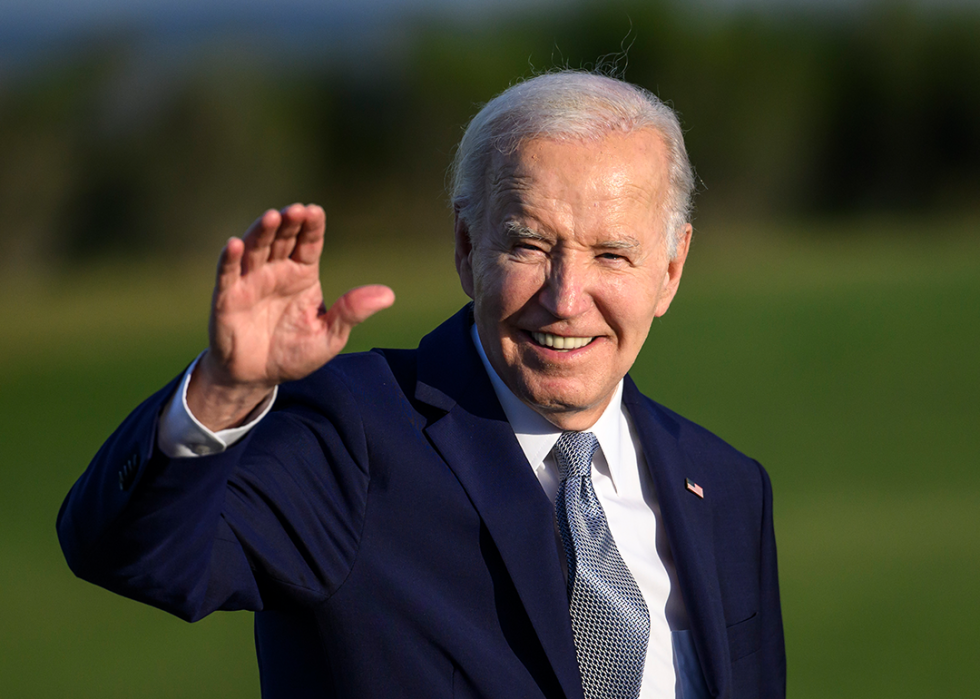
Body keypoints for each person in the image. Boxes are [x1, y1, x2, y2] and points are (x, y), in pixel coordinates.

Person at [58, 71, 785, 699]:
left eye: (611, 254)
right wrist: (221, 391)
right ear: (467, 247)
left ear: (670, 269)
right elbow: (132, 555)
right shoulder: (354, 434)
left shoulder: (726, 488)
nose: (566, 297)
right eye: (530, 244)